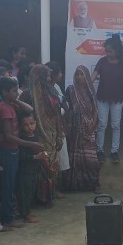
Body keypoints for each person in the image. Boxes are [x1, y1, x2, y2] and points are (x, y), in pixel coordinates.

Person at [0, 76, 42, 228]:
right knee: (8, 186)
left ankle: (10, 215)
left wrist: (15, 100)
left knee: (11, 184)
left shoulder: (11, 104)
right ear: (5, 92)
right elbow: (8, 135)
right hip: (7, 151)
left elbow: (30, 110)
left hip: (12, 150)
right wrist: (31, 143)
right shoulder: (4, 108)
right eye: (14, 91)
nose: (17, 93)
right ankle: (7, 219)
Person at [25, 65, 64, 206]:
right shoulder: (28, 95)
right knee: (42, 165)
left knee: (53, 163)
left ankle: (50, 193)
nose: (49, 79)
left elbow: (57, 114)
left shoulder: (52, 91)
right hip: (37, 135)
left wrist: (59, 134)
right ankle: (41, 197)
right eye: (46, 76)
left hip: (52, 132)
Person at [91, 34, 123, 164]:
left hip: (117, 100)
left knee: (115, 126)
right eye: (106, 51)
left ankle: (114, 152)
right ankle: (100, 151)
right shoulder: (102, 61)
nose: (107, 54)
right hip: (102, 98)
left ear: (117, 51)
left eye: (110, 51)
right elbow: (92, 77)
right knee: (102, 125)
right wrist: (83, 87)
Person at [63, 65, 101, 193]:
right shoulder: (70, 90)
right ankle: (74, 185)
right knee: (75, 157)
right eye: (77, 74)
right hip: (75, 128)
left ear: (86, 77)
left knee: (91, 158)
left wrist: (93, 124)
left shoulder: (90, 91)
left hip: (88, 129)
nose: (79, 77)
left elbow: (95, 110)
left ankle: (92, 184)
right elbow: (66, 108)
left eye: (82, 75)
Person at [17, 112, 48, 223]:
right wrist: (35, 157)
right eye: (26, 125)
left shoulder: (36, 136)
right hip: (24, 171)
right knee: (25, 193)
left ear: (35, 123)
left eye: (31, 124)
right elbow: (20, 157)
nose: (29, 127)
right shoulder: (22, 139)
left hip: (34, 170)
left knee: (30, 192)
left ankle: (27, 211)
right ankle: (25, 215)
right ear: (21, 126)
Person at [46, 61, 70, 197]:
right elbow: (54, 109)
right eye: (59, 72)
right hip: (50, 129)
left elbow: (64, 104)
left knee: (60, 159)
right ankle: (50, 191)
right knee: (51, 160)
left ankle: (55, 188)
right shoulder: (44, 90)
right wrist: (61, 109)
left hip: (59, 126)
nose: (61, 75)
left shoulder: (55, 87)